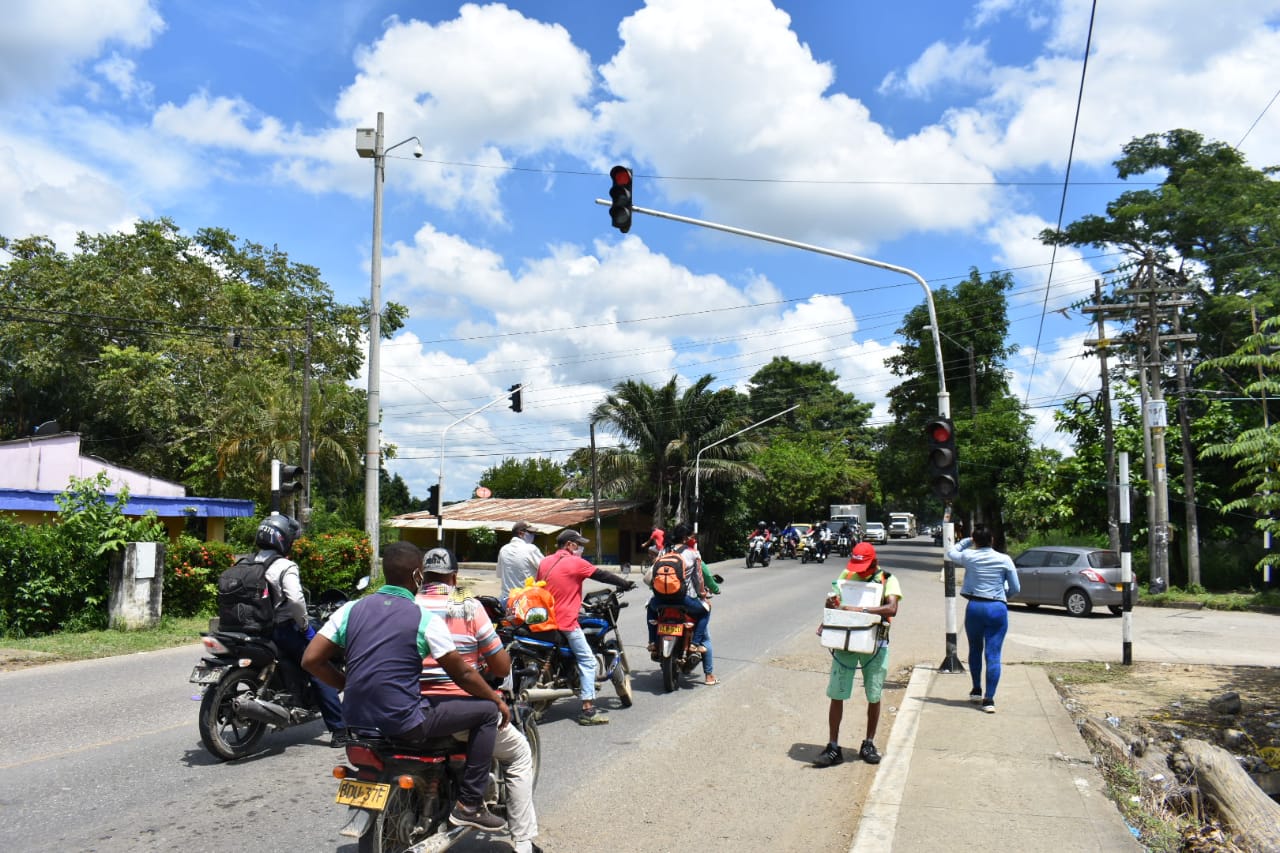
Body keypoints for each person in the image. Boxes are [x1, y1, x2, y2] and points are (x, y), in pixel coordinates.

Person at [302, 541, 510, 832]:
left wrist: (349, 684)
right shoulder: (460, 603)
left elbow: (311, 659)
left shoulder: (352, 608)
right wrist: (495, 700)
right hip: (407, 718)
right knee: (488, 711)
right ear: (451, 575)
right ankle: (470, 805)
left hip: (355, 720)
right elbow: (464, 673)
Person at [416, 547, 542, 853]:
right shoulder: (465, 602)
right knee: (520, 754)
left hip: (412, 707)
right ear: (454, 576)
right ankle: (523, 841)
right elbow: (499, 666)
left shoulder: (410, 603)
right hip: (459, 708)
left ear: (420, 575)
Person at [252, 513, 345, 746]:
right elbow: (295, 599)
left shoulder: (247, 562)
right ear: (284, 540)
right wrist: (304, 627)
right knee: (319, 664)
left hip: (256, 630)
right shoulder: (284, 566)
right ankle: (340, 730)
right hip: (283, 630)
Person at [814, 541, 902, 768]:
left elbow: (891, 609)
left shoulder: (888, 580)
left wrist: (859, 610)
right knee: (837, 692)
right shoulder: (847, 575)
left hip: (875, 643)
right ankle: (833, 746)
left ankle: (869, 743)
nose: (858, 572)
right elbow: (835, 602)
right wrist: (830, 604)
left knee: (874, 694)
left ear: (874, 562)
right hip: (846, 640)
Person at [536, 529, 636, 725]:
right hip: (565, 620)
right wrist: (625, 583)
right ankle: (588, 710)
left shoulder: (545, 562)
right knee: (588, 661)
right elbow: (603, 575)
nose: (580, 548)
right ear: (569, 545)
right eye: (578, 544)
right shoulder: (576, 562)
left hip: (543, 618)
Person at [947, 526, 1021, 713]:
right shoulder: (1004, 559)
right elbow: (1016, 588)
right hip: (997, 608)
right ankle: (989, 700)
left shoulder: (969, 557)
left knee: (975, 649)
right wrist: (1003, 597)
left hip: (975, 607)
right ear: (992, 540)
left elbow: (951, 552)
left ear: (975, 540)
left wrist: (966, 541)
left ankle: (976, 689)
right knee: (993, 654)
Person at [644, 524, 715, 682]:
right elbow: (699, 579)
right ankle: (695, 644)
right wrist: (703, 594)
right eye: (691, 536)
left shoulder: (663, 552)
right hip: (683, 600)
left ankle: (653, 642)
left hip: (661, 599)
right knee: (705, 611)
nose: (693, 538)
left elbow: (653, 576)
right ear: (686, 538)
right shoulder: (693, 554)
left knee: (650, 608)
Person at [497, 520, 543, 603]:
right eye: (530, 533)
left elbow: (500, 574)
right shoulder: (530, 548)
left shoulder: (503, 549)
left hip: (506, 599)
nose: (533, 536)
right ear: (521, 533)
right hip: (526, 601)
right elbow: (546, 568)